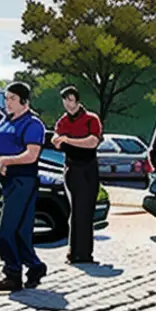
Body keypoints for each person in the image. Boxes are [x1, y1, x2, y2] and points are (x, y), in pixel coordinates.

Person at [0, 82, 47, 292]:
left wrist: (6, 161)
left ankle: (12, 274)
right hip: (5, 179)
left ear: (24, 101)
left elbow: (31, 155)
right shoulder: (4, 120)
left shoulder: (32, 124)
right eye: (6, 98)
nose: (8, 103)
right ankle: (35, 266)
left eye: (13, 99)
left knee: (7, 229)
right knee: (20, 231)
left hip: (23, 181)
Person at [52, 86, 102, 265]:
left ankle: (84, 253)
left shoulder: (91, 119)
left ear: (78, 101)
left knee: (85, 211)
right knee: (75, 211)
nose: (68, 104)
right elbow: (56, 139)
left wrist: (67, 140)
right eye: (65, 100)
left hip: (88, 169)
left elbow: (92, 142)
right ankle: (74, 252)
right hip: (71, 168)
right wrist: (60, 139)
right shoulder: (63, 121)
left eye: (71, 100)